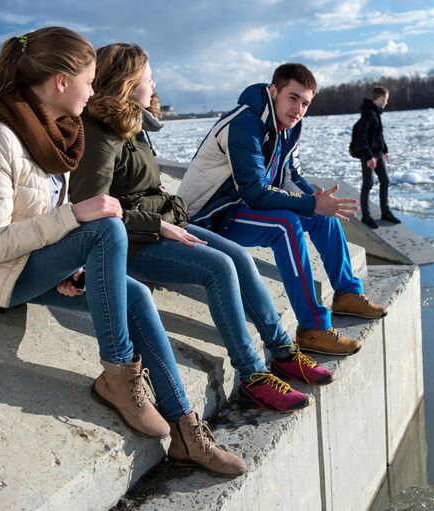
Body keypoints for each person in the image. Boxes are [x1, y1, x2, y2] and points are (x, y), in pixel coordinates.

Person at [0, 28, 246, 477]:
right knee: (106, 227)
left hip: (27, 263)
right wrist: (74, 219)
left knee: (133, 294)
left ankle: (185, 430)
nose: (95, 90)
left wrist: (69, 259)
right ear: (61, 81)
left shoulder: (52, 130)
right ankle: (118, 374)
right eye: (90, 79)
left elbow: (41, 213)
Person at [70, 44, 334, 422]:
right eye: (148, 77)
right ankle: (252, 374)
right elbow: (93, 210)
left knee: (239, 258)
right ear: (128, 83)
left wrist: (168, 214)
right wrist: (157, 224)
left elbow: (141, 190)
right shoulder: (98, 133)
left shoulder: (132, 125)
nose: (154, 83)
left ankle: (283, 352)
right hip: (131, 241)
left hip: (161, 223)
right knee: (218, 268)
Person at [178, 63, 388, 357]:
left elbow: (290, 176)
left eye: (305, 103)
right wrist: (311, 203)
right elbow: (255, 191)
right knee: (285, 225)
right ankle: (313, 327)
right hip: (209, 217)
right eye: (293, 98)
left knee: (323, 217)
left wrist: (317, 199)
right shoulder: (244, 122)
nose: (298, 108)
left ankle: (347, 294)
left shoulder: (288, 128)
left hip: (241, 207)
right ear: (273, 91)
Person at [355, 86, 400, 228]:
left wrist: (385, 150)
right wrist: (369, 157)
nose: (387, 102)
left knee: (385, 181)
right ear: (380, 97)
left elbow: (378, 135)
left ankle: (385, 212)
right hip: (369, 155)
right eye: (386, 99)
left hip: (378, 154)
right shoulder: (368, 113)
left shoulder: (376, 113)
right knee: (368, 184)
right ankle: (366, 217)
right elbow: (362, 137)